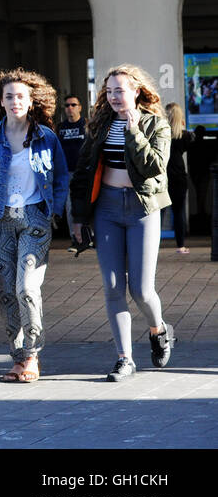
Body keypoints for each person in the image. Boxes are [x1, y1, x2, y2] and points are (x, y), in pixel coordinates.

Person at [0, 69, 68, 383]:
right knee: (7, 292)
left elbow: (61, 178)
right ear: (1, 101)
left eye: (21, 96)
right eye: (9, 96)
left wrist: (54, 213)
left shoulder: (46, 137)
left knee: (27, 288)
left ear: (32, 100)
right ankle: (17, 357)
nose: (15, 101)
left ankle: (33, 355)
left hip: (35, 218)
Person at [69, 65, 175, 382]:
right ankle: (124, 358)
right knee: (114, 286)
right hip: (107, 209)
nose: (115, 96)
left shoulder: (156, 124)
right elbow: (83, 173)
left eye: (121, 90)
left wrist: (134, 131)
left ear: (137, 91)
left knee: (141, 289)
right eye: (110, 91)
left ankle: (158, 330)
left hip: (143, 208)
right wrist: (77, 217)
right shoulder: (100, 125)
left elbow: (154, 166)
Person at [56, 93, 87, 243]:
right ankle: (75, 237)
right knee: (70, 206)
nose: (70, 108)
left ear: (79, 107)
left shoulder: (87, 126)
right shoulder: (60, 128)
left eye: (73, 105)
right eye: (67, 105)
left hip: (84, 172)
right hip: (65, 172)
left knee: (87, 204)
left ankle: (88, 235)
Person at [164, 103, 193, 255]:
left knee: (159, 212)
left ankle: (153, 244)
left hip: (163, 176)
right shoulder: (184, 135)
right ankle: (180, 245)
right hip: (179, 176)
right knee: (178, 211)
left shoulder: (162, 133)